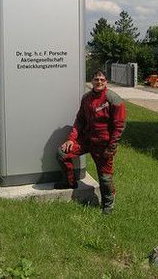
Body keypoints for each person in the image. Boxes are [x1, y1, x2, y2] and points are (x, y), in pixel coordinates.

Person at [55, 69, 126, 214]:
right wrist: (71, 139)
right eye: (96, 79)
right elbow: (80, 120)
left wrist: (111, 148)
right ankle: (70, 182)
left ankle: (108, 205)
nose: (99, 82)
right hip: (86, 140)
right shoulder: (86, 98)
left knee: (105, 178)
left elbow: (119, 127)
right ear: (92, 81)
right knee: (62, 153)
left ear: (106, 82)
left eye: (102, 79)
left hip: (103, 146)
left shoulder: (113, 99)